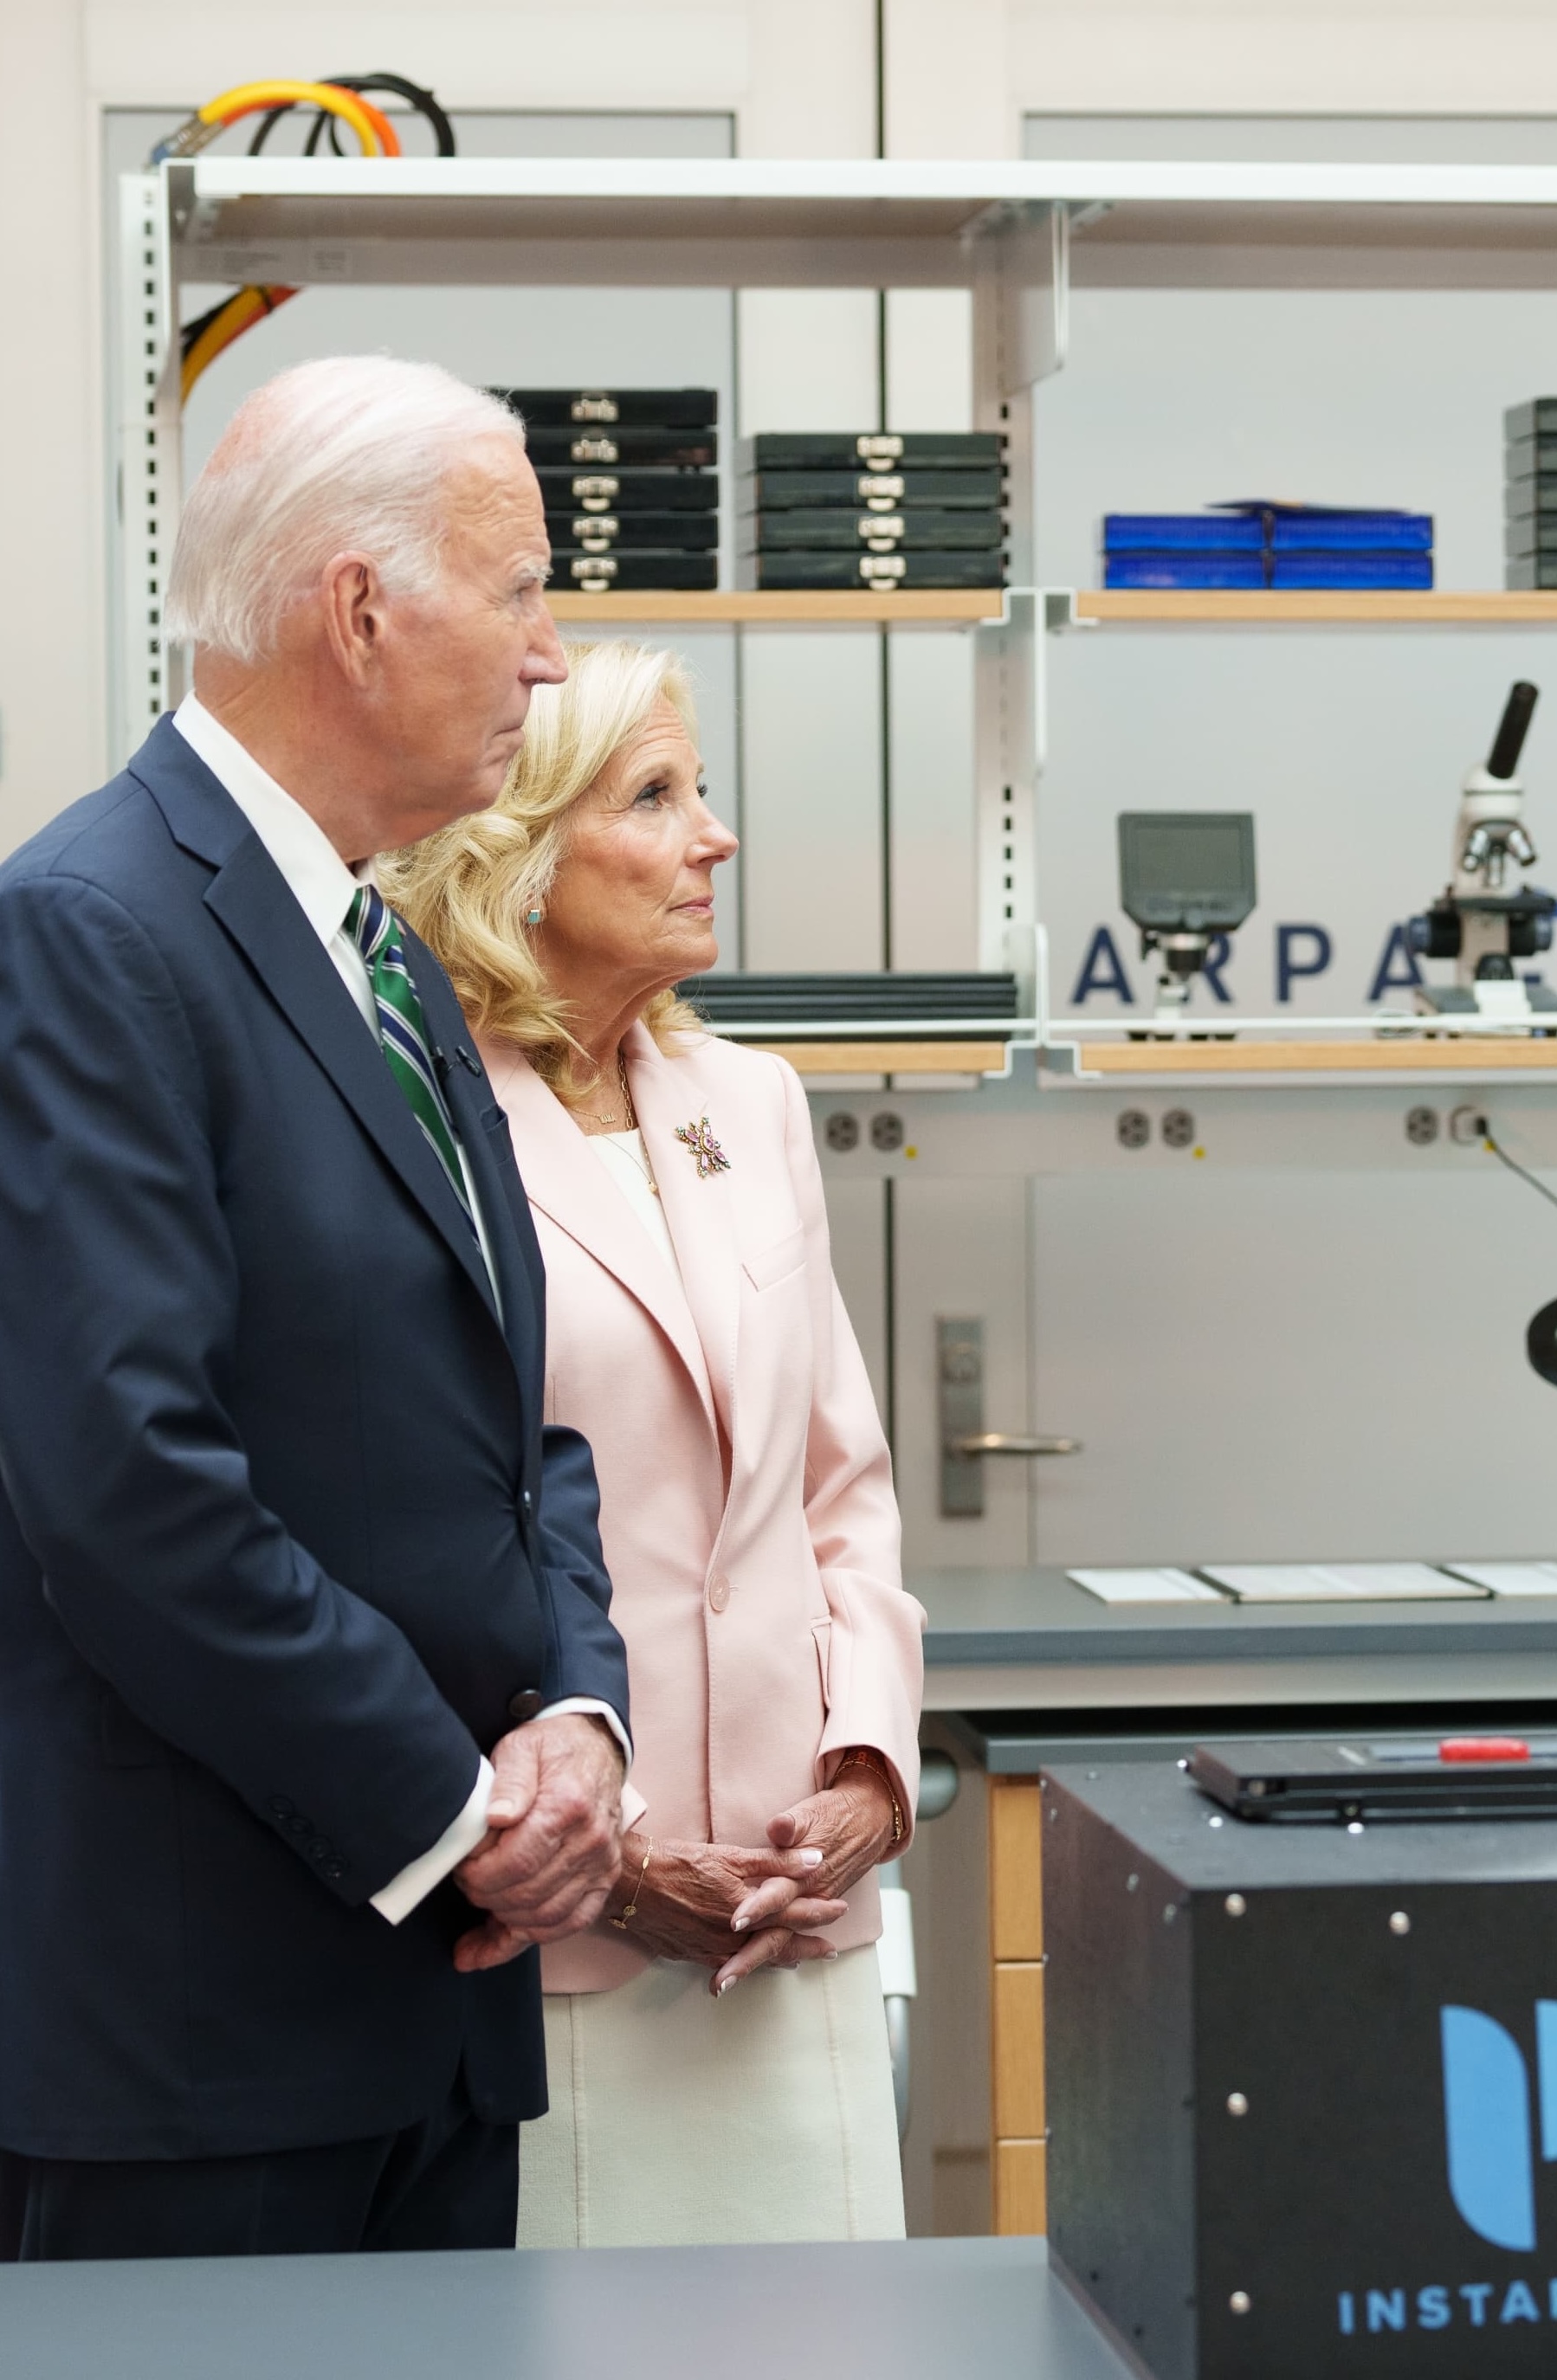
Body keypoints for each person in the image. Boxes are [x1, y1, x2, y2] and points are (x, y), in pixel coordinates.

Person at [0, 358, 634, 2261]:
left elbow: (510, 1439)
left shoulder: (373, 949)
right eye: (518, 588)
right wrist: (454, 1807)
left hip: (430, 2024)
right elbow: (128, 1488)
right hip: (202, 2047)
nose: (549, 654)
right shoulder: (94, 932)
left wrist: (583, 1721)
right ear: (360, 612)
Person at [381, 639, 924, 2247]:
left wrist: (868, 1770)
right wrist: (602, 1865)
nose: (716, 834)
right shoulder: (412, 1122)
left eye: (704, 790)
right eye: (657, 795)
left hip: (788, 1913)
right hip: (566, 1928)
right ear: (517, 854)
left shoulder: (747, 1101)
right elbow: (412, 1534)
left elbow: (842, 1487)